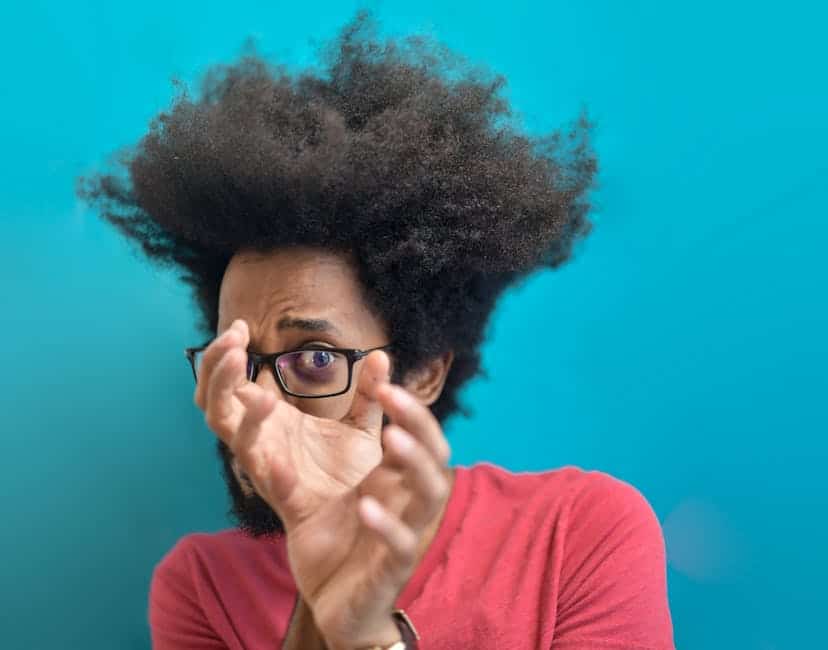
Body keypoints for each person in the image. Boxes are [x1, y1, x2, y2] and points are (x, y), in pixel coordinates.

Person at [78, 11, 674, 650]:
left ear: (422, 372)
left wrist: (366, 636)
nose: (255, 402)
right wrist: (315, 614)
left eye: (313, 359)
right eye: (238, 359)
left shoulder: (576, 532)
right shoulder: (202, 585)